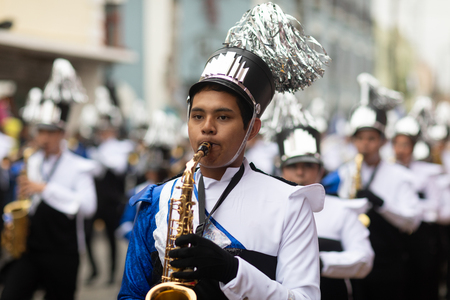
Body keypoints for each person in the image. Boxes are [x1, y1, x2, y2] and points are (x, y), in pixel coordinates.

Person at [119, 3, 330, 299]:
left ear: (252, 130)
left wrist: (233, 271)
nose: (207, 127)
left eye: (223, 117)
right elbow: (131, 293)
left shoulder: (290, 204)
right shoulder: (156, 200)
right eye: (197, 116)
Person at [0, 58, 97, 300]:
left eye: (49, 132)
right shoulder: (32, 159)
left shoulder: (79, 166)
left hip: (63, 253)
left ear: (61, 134)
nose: (42, 137)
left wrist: (44, 189)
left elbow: (88, 206)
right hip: (30, 249)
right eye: (40, 131)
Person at [322, 73, 421, 300]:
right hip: (354, 260)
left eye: (371, 139)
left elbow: (412, 221)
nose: (365, 145)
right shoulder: (346, 172)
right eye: (360, 138)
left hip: (388, 262)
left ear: (383, 141)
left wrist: (382, 204)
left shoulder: (399, 176)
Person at [276, 118, 374, 300]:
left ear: (320, 171)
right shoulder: (270, 210)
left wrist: (319, 262)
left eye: (308, 166)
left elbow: (364, 258)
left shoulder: (342, 210)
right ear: (281, 171)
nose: (300, 173)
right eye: (292, 166)